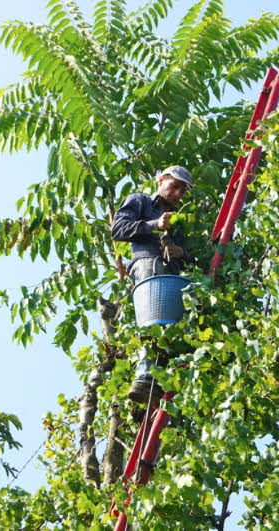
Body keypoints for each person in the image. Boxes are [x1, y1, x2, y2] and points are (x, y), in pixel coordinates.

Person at [110, 165, 193, 405]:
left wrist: (181, 252)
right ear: (161, 181)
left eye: (183, 190)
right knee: (153, 321)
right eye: (175, 186)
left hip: (171, 276)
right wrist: (154, 225)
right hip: (147, 263)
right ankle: (144, 376)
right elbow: (118, 229)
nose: (178, 193)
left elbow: (191, 257)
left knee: (169, 330)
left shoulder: (178, 223)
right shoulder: (141, 201)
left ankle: (156, 380)